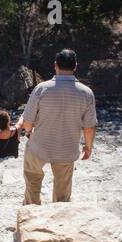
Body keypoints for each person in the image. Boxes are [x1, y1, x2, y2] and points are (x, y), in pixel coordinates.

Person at [18, 49, 97, 204]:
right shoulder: (86, 93)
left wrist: (28, 132)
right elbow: (89, 126)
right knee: (63, 191)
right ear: (75, 67)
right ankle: (59, 216)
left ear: (55, 66)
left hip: (39, 146)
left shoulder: (42, 88)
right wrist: (88, 147)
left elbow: (27, 121)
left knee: (32, 180)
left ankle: (32, 212)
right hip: (67, 149)